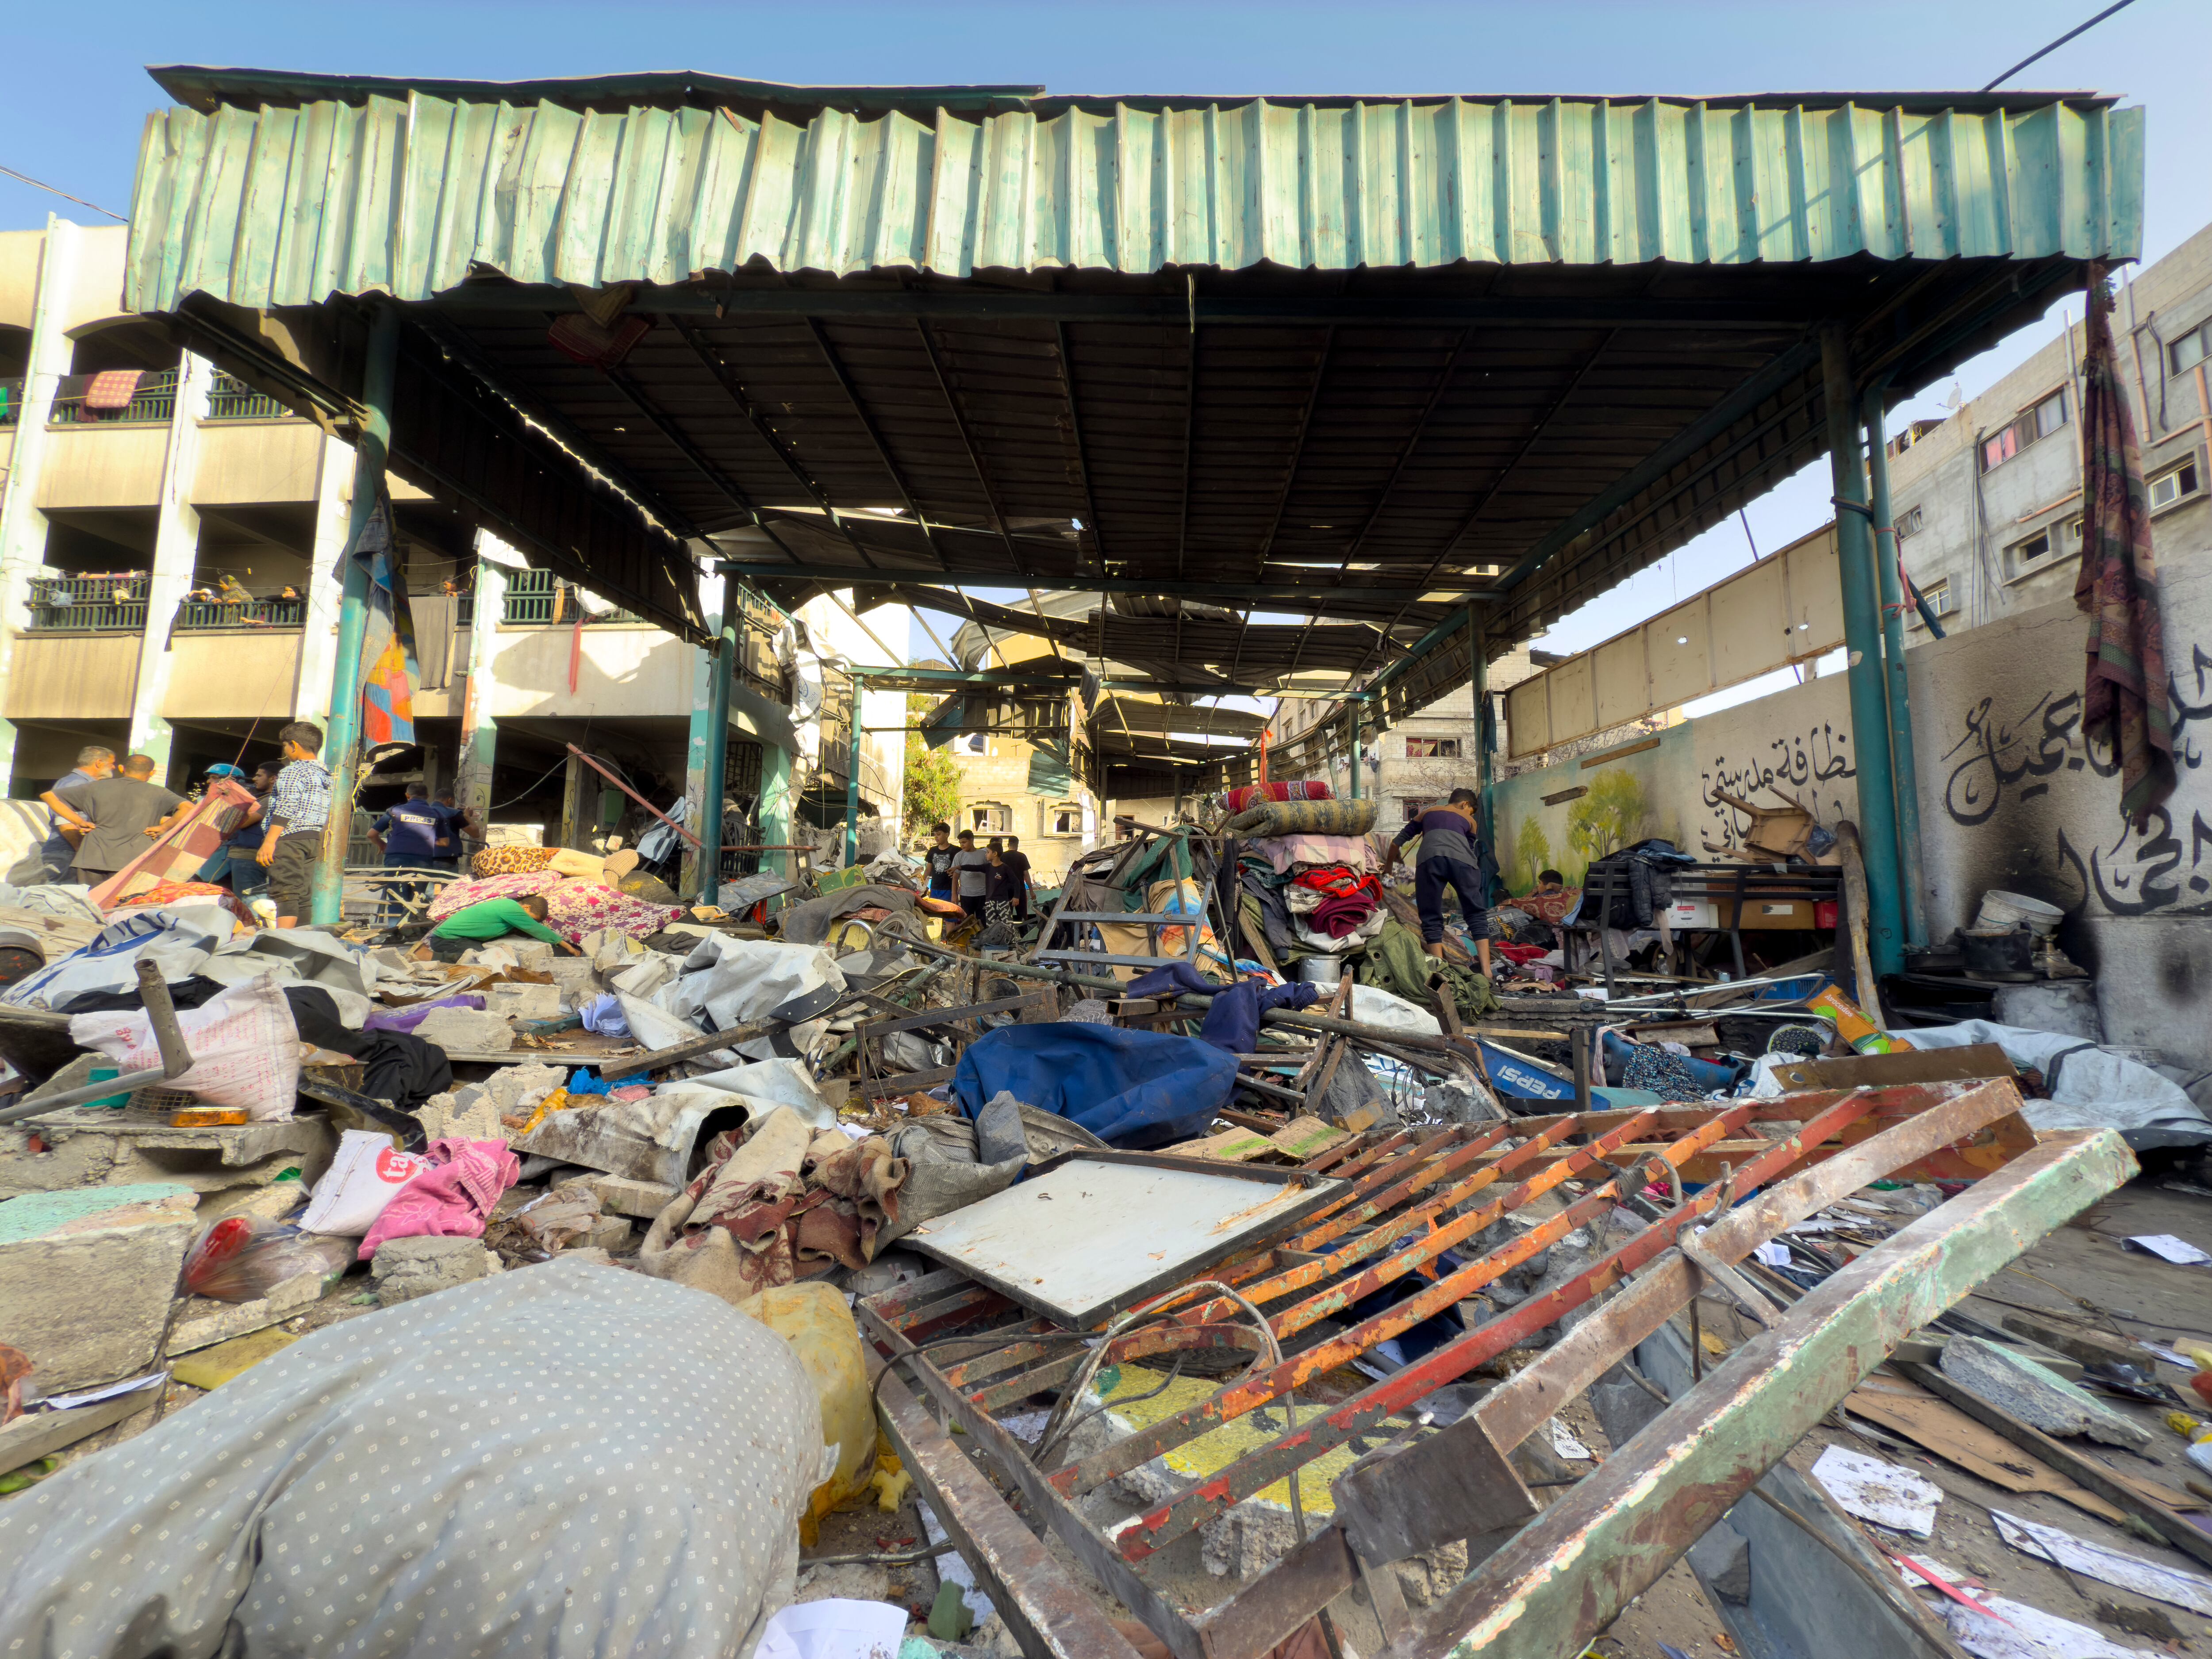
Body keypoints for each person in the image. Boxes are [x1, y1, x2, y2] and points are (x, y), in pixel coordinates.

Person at [1383, 787, 1496, 975]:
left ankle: (1440, 971)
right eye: (1471, 812)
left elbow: (1396, 843)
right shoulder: (1470, 822)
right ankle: (1487, 972)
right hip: (1463, 864)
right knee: (1476, 913)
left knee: (1430, 917)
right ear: (1465, 804)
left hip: (1430, 861)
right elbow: (1468, 848)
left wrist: (1388, 868)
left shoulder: (1428, 812)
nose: (1471, 816)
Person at [53, 753, 189, 888]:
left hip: (93, 857)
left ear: (122, 768)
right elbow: (188, 808)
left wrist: (78, 822)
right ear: (152, 773)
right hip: (134, 859)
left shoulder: (96, 787)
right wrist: (164, 828)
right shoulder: (160, 793)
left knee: (89, 903)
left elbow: (50, 796)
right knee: (121, 905)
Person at [255, 721, 330, 928]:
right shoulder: (324, 774)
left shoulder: (292, 771)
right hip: (311, 839)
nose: (285, 751)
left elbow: (287, 806)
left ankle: (283, 943)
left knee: (286, 892)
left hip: (288, 839)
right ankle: (301, 945)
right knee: (303, 896)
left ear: (294, 746)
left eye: (286, 746)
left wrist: (270, 842)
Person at [20, 745, 115, 883]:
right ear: (99, 763)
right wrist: (80, 852)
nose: (114, 767)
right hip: (68, 852)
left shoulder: (84, 783)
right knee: (63, 898)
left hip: (70, 852)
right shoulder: (76, 783)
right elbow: (64, 823)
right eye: (112, 763)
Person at [425, 891, 578, 962]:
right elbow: (536, 929)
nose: (531, 922)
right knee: (483, 959)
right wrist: (567, 947)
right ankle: (427, 957)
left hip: (458, 938)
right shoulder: (512, 909)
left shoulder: (508, 906)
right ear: (526, 908)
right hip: (447, 940)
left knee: (489, 954)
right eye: (532, 919)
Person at [222, 763, 279, 895]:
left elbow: (242, 823)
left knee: (249, 903)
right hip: (244, 857)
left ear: (273, 779)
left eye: (259, 775)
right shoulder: (263, 798)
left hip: (248, 859)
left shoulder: (269, 800)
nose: (254, 779)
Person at [428, 787, 476, 873]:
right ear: (450, 800)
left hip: (423, 859)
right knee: (443, 885)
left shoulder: (423, 811)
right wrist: (467, 817)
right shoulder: (454, 814)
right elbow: (475, 833)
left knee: (426, 884)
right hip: (446, 860)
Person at [950, 829, 991, 919]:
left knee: (983, 921)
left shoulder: (983, 854)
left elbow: (990, 873)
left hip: (982, 894)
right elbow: (955, 876)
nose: (962, 845)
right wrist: (954, 895)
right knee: (967, 922)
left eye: (964, 842)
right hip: (966, 895)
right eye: (960, 843)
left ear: (972, 840)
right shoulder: (959, 856)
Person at [983, 838, 1021, 927]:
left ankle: (1011, 941)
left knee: (1008, 926)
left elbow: (1016, 882)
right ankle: (992, 941)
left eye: (988, 852)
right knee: (990, 927)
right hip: (990, 902)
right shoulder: (987, 867)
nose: (986, 855)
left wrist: (1016, 897)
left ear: (995, 854)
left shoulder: (1005, 868)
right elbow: (973, 868)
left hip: (1003, 902)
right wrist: (959, 867)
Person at [1000, 833, 1033, 919]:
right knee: (1022, 917)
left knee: (1006, 917)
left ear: (1008, 845)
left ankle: (1007, 932)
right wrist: (1031, 891)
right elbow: (1026, 875)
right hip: (1020, 890)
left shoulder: (1002, 856)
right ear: (1017, 845)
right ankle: (1024, 932)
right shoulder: (1022, 856)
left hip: (1005, 890)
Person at [922, 822, 957, 901]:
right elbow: (928, 870)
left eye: (938, 834)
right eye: (935, 835)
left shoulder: (955, 851)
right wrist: (922, 884)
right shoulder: (932, 851)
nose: (936, 837)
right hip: (934, 888)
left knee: (948, 912)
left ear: (947, 835)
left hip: (949, 889)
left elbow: (960, 869)